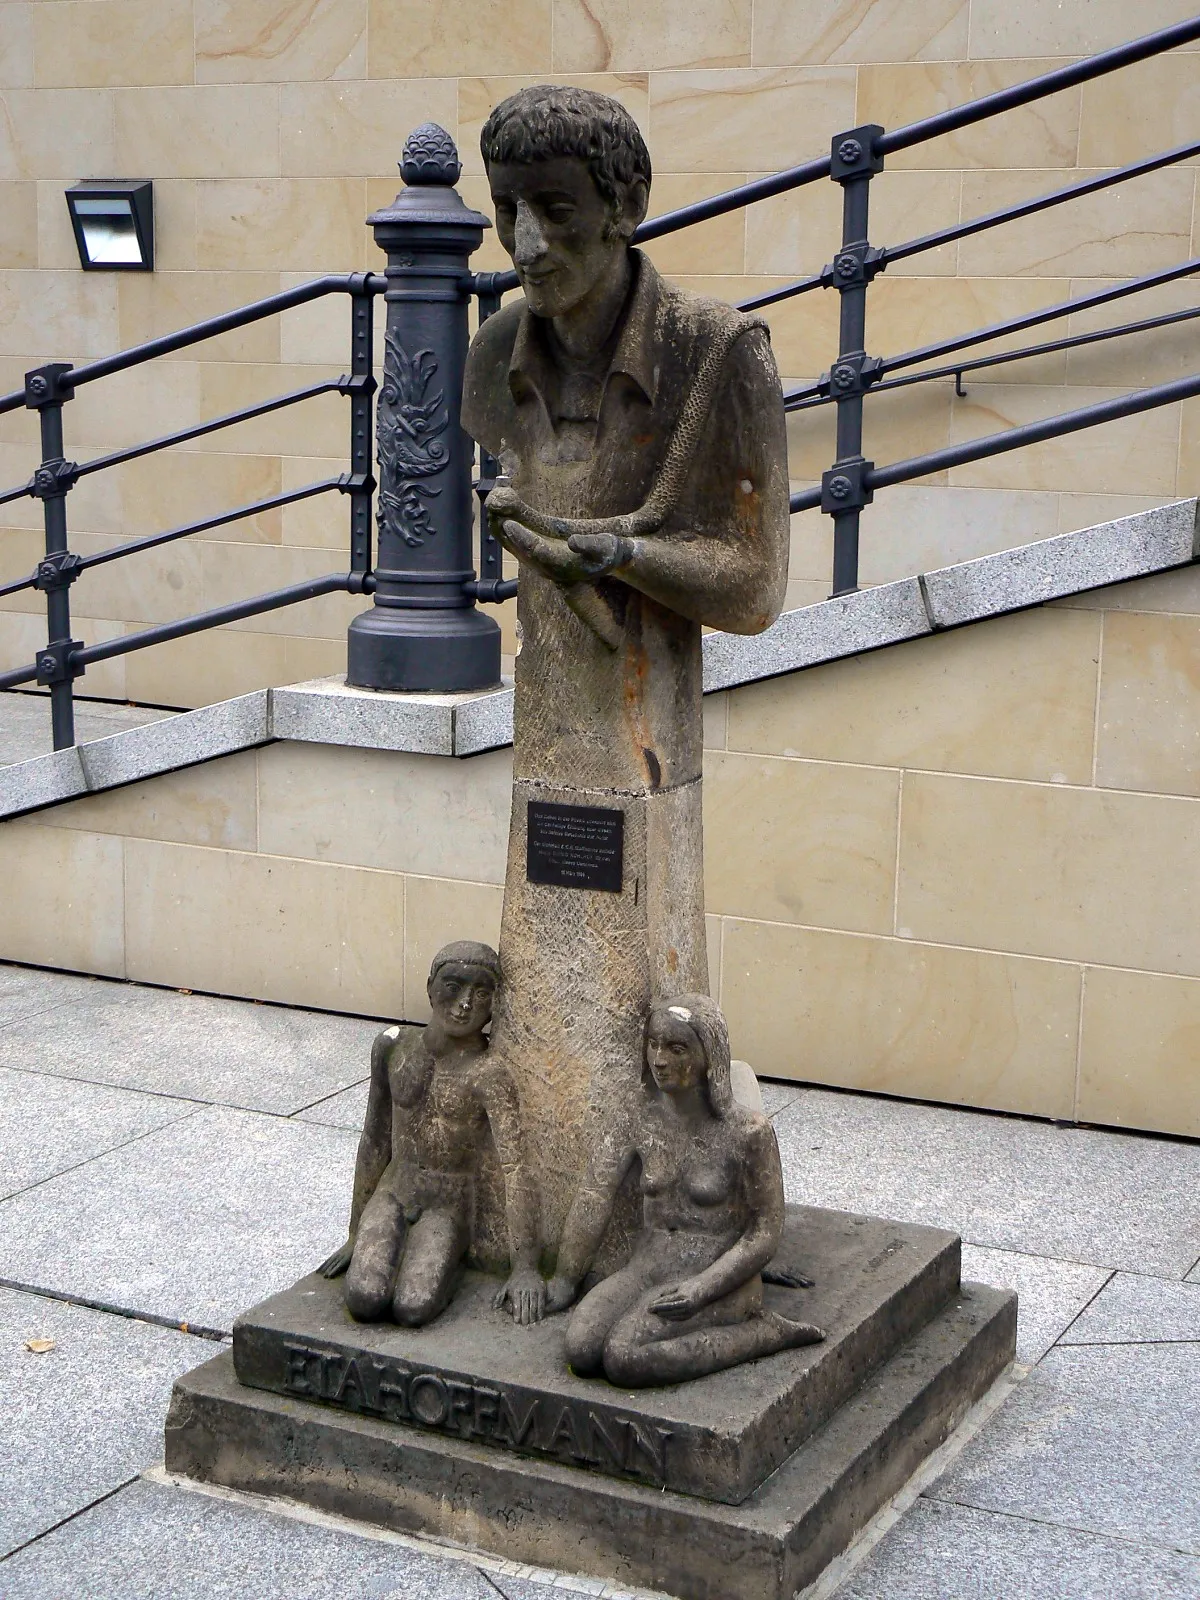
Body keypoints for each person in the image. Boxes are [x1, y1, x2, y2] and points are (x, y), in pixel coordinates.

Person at [460, 85, 792, 1258]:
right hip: (552, 726)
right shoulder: (496, 349)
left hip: (645, 735)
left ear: (626, 207)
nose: (528, 243)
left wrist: (624, 553)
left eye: (554, 209)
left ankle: (652, 1235)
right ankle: (521, 1217)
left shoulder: (716, 355)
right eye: (508, 212)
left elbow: (753, 587)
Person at [543, 994, 825, 1387]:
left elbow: (765, 1232)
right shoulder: (638, 1116)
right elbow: (595, 1194)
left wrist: (702, 1288)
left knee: (625, 1357)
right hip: (647, 1268)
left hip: (717, 1279)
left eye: (677, 1049)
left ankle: (762, 1333)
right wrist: (564, 1278)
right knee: (581, 1348)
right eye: (654, 1045)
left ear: (710, 1056)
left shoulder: (747, 1133)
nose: (660, 1060)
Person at [318, 942, 546, 1327]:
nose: (464, 1004)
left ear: (495, 1005)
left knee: (413, 1306)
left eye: (481, 993)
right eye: (453, 987)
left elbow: (516, 1169)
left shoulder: (489, 1075)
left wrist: (524, 1266)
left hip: (447, 1204)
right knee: (363, 1298)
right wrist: (356, 1233)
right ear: (430, 987)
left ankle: (452, 1268)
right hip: (394, 1190)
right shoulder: (393, 1047)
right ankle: (386, 1248)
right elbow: (374, 1139)